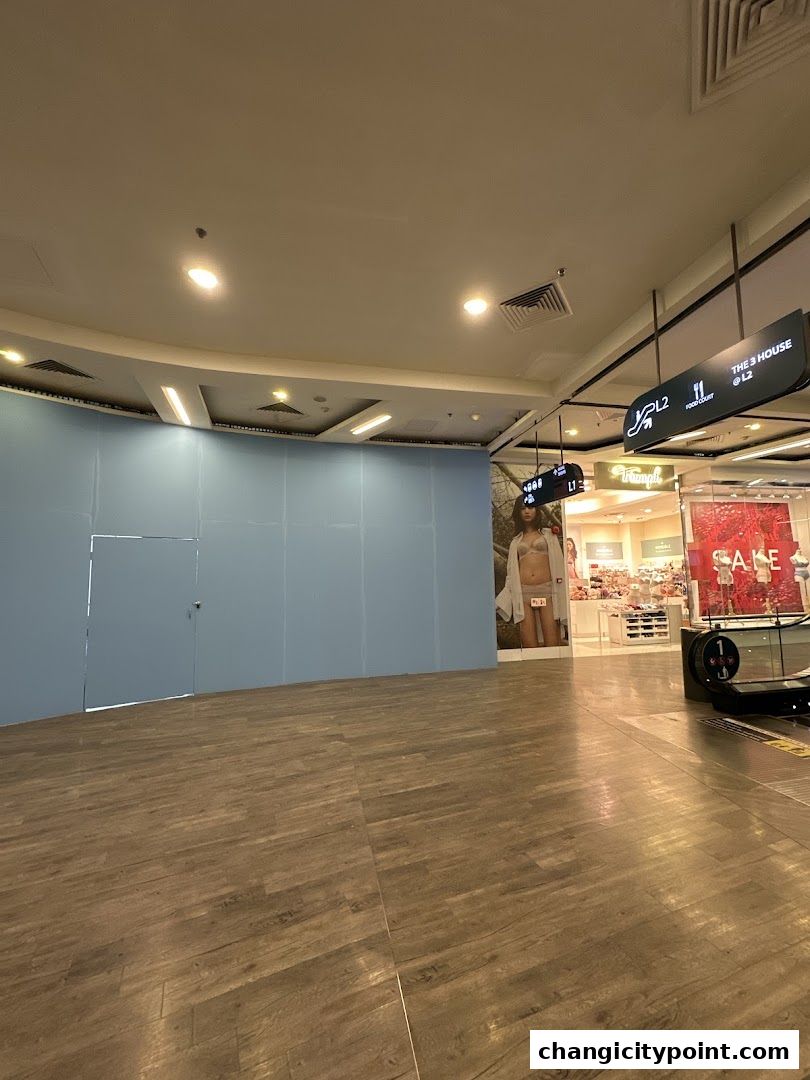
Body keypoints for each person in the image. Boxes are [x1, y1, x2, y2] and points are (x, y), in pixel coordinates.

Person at [496, 496, 566, 647]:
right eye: (522, 508)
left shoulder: (548, 535)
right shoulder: (516, 541)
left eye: (531, 507)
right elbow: (511, 572)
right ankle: (532, 672)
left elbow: (559, 563)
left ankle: (553, 671)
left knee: (552, 644)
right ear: (518, 512)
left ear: (537, 510)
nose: (527, 511)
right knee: (529, 646)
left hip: (547, 592)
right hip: (524, 594)